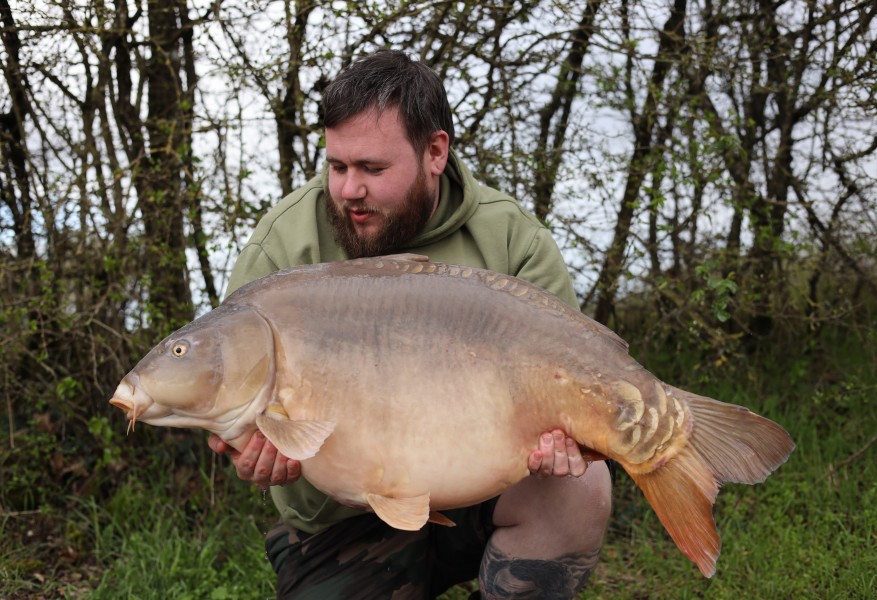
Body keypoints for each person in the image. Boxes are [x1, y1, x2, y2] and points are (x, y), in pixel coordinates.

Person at [208, 49, 612, 599]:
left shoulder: (511, 240)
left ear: (435, 152)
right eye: (337, 166)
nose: (350, 189)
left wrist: (570, 439)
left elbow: (574, 381)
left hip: (483, 496)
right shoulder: (283, 243)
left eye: (373, 169)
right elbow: (228, 392)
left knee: (583, 486)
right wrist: (249, 453)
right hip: (338, 521)